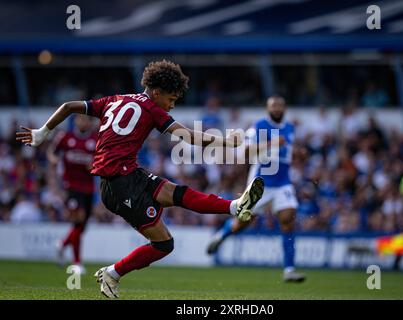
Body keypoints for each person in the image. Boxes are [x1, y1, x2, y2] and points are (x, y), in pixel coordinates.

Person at [16, 60, 264, 298]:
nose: (172, 105)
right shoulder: (151, 109)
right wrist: (227, 141)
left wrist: (41, 133)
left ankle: (234, 206)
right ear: (156, 92)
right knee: (164, 244)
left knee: (177, 193)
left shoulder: (114, 100)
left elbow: (69, 106)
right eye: (171, 99)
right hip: (119, 185)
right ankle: (112, 273)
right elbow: (188, 136)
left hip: (130, 174)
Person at [206, 96, 306, 282]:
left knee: (288, 217)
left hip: (283, 182)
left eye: (280, 106)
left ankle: (289, 270)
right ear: (267, 108)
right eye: (273, 106)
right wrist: (272, 143)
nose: (276, 109)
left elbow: (286, 153)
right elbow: (245, 151)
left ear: (284, 108)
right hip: (261, 182)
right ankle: (222, 234)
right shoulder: (259, 126)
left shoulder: (290, 128)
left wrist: (299, 154)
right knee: (242, 222)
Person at [48, 114, 97, 273]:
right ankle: (77, 263)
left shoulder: (96, 139)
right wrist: (54, 160)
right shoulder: (65, 137)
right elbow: (52, 152)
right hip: (71, 185)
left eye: (86, 119)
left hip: (89, 187)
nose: (83, 121)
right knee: (78, 220)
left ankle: (62, 244)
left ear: (90, 122)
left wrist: (94, 166)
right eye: (80, 119)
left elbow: (100, 160)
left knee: (82, 226)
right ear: (75, 120)